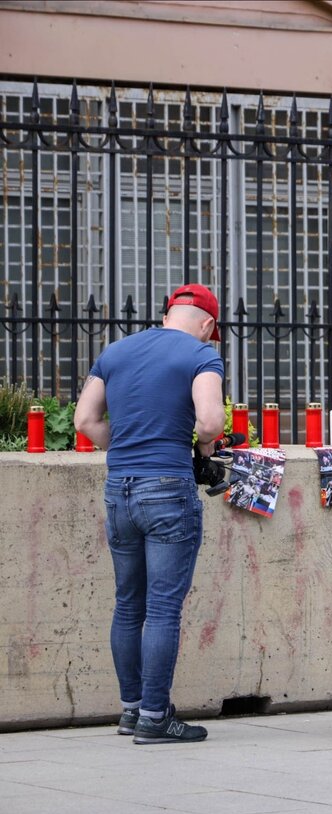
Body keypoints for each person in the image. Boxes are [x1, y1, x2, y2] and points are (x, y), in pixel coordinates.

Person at [74, 283, 226, 744]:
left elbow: (85, 420)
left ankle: (132, 710)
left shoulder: (116, 351)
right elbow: (211, 422)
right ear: (208, 324)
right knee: (162, 609)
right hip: (167, 490)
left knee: (128, 604)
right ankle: (157, 718)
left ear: (168, 313)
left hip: (119, 490)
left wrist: (122, 451)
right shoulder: (201, 356)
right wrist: (201, 450)